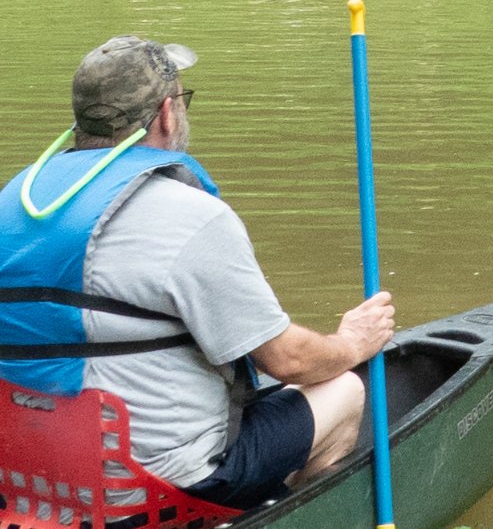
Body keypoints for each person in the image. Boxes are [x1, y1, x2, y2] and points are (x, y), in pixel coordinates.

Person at [0, 36, 396, 510]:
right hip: (146, 490)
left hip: (30, 478)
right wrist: (353, 343)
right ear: (168, 113)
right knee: (344, 390)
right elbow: (287, 360)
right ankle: (282, 515)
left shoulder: (13, 202)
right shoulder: (189, 216)